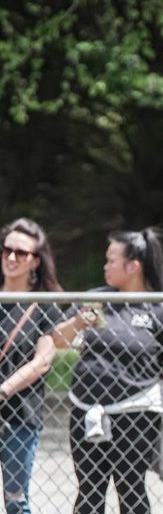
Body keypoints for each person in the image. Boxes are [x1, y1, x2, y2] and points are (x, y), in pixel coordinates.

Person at [54, 228, 163, 514]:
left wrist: (147, 382)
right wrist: (79, 323)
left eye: (111, 261)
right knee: (89, 490)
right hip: (87, 409)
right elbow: (57, 339)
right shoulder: (97, 299)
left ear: (133, 266)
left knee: (131, 488)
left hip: (136, 413)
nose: (105, 266)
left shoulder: (159, 307)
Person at [0, 219, 63, 514]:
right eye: (6, 250)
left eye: (21, 253)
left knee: (16, 502)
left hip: (18, 419)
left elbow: (43, 361)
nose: (11, 258)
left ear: (35, 261)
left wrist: (3, 390)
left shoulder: (44, 304)